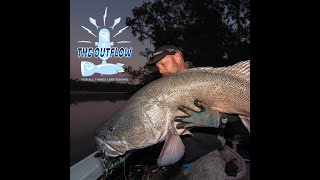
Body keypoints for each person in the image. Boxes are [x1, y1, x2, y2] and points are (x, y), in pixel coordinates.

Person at [146, 45, 248, 180]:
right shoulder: (162, 87)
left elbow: (239, 120)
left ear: (177, 57)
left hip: (207, 155)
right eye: (158, 66)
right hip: (176, 160)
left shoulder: (206, 80)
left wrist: (219, 119)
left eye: (163, 63)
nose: (160, 70)